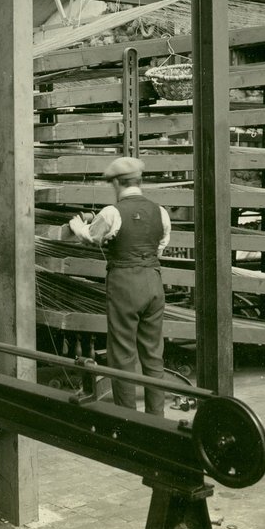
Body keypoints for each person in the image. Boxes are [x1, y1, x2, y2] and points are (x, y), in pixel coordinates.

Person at [68, 156, 170, 416]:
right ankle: (156, 419)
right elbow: (159, 245)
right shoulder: (160, 212)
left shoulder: (112, 212)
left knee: (123, 354)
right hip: (154, 281)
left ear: (116, 182)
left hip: (125, 283)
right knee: (153, 354)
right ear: (139, 180)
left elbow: (91, 237)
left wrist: (76, 225)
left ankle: (128, 420)